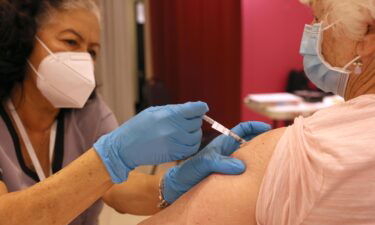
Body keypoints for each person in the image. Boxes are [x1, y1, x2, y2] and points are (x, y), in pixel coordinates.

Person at [0, 0, 272, 225]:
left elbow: (120, 190)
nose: (84, 60)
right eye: (71, 42)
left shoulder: (87, 112)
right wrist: (110, 159)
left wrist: (174, 183)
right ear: (24, 39)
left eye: (93, 52)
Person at [139, 0, 375, 224]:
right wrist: (163, 187)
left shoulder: (307, 155)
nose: (312, 31)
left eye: (319, 17)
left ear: (366, 33)